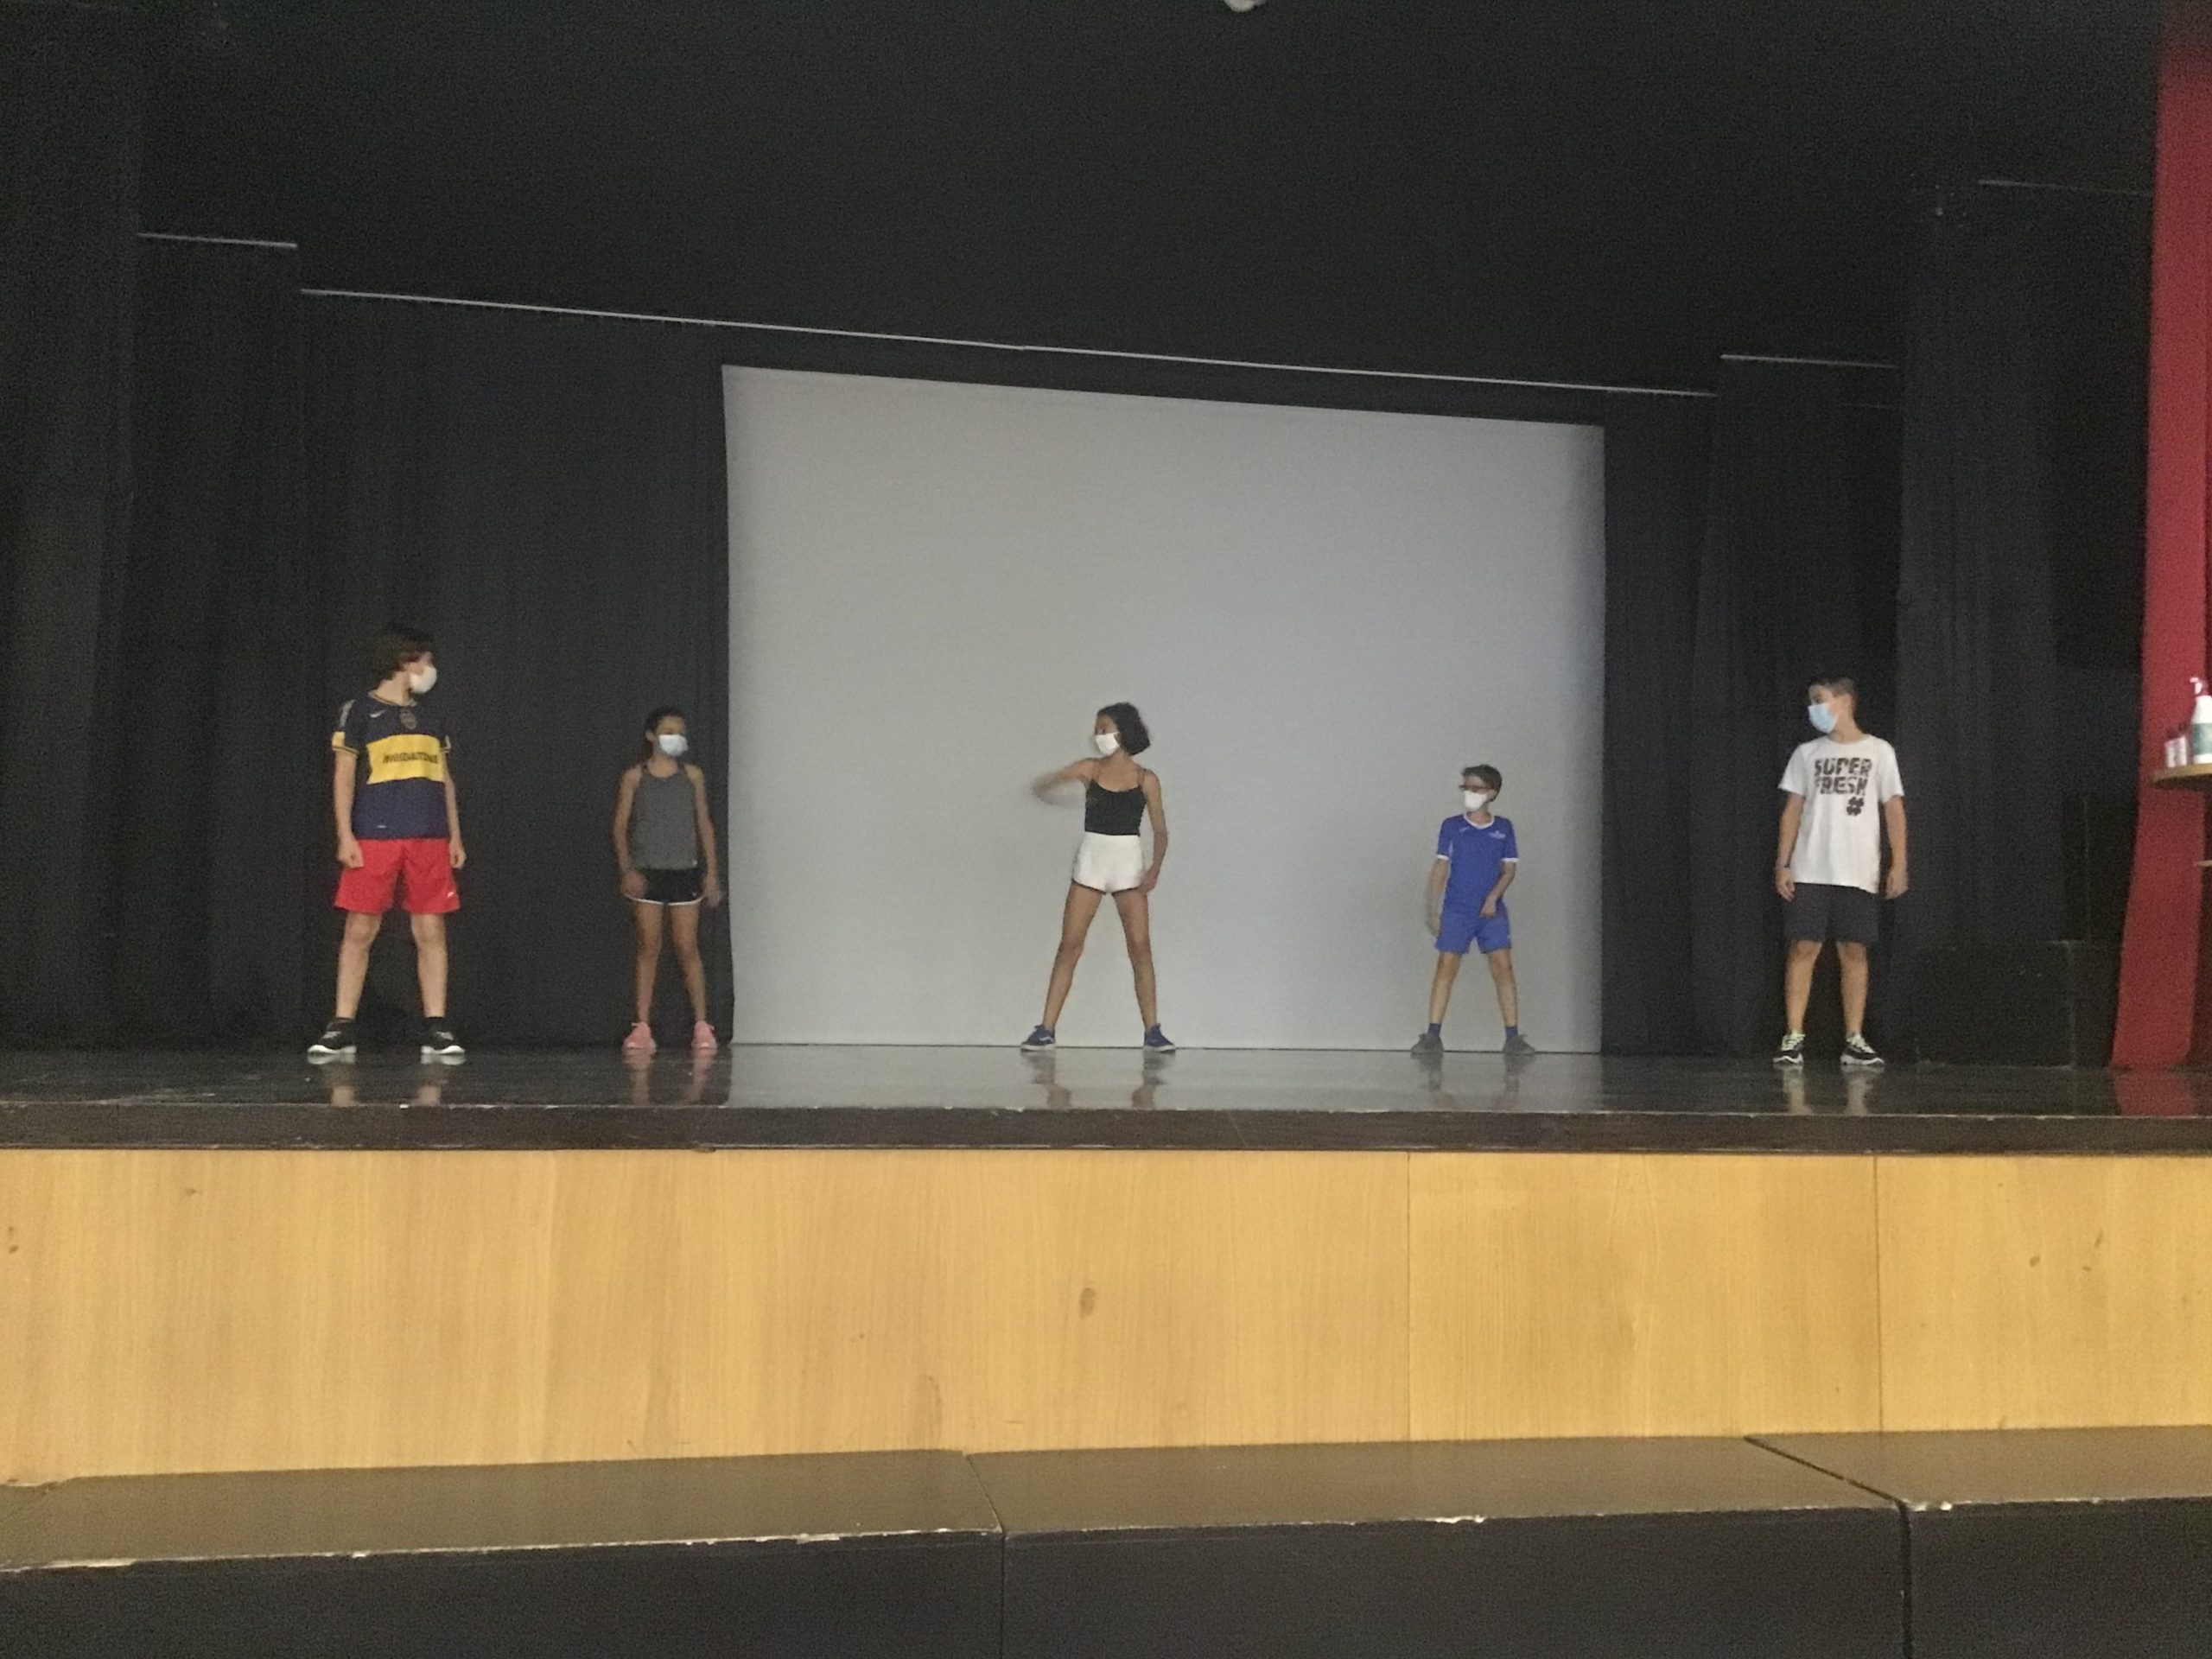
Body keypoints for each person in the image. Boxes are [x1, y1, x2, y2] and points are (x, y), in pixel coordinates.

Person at [308, 626, 465, 1061]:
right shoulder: (359, 711)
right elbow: (343, 776)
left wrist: (454, 834)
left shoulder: (432, 718)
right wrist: (345, 834)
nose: (430, 669)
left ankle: (437, 1026)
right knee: (360, 928)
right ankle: (342, 1025)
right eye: (426, 661)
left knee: (430, 929)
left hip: (429, 834)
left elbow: (445, 779)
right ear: (404, 660)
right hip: (376, 833)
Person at [1021, 702, 1174, 1052]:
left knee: (1140, 947)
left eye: (1104, 729)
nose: (1098, 736)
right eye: (1097, 730)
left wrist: (1155, 868)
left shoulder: (1146, 779)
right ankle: (1046, 1028)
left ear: (1123, 732)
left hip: (1127, 863)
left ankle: (1152, 1030)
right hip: (1092, 860)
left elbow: (1161, 830)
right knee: (1070, 945)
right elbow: (1045, 784)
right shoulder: (1089, 769)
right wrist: (1056, 792)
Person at [1773, 676, 1907, 1069]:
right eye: (1811, 702)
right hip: (1810, 868)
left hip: (1858, 869)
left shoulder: (1879, 751)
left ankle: (1854, 1038)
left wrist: (1899, 862)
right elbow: (1793, 811)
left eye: (1820, 700)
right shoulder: (1807, 754)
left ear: (1845, 701)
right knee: (1803, 948)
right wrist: (1783, 863)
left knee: (1854, 950)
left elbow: (1893, 809)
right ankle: (1793, 1036)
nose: (1814, 709)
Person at [613, 707, 723, 1054]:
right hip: (648, 871)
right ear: (651, 735)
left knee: (688, 947)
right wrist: (628, 869)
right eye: (668, 730)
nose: (675, 737)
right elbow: (620, 826)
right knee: (649, 947)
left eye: (680, 731)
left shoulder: (692, 776)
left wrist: (712, 872)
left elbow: (704, 823)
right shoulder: (635, 777)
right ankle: (642, 1026)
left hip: (684, 870)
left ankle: (702, 1024)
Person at [1413, 766, 1533, 1055]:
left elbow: (1509, 870)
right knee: (1446, 966)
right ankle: (1433, 1034)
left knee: (1503, 967)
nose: (1470, 793)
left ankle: (1513, 1036)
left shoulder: (1503, 828)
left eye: (1476, 789)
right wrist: (1432, 908)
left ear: (1492, 793)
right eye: (1466, 788)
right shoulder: (1452, 826)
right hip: (1458, 908)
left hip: (1491, 911)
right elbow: (1441, 867)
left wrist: (1493, 897)